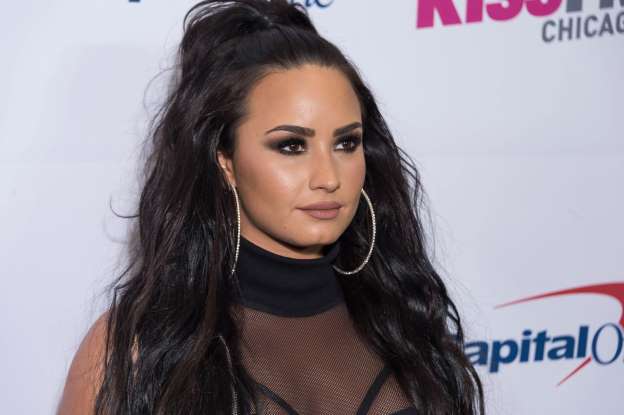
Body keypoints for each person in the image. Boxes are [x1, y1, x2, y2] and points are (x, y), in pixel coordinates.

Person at [57, 1, 484, 414]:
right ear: (225, 161)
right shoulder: (138, 348)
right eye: (291, 146)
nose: (328, 176)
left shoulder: (405, 324)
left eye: (346, 143)